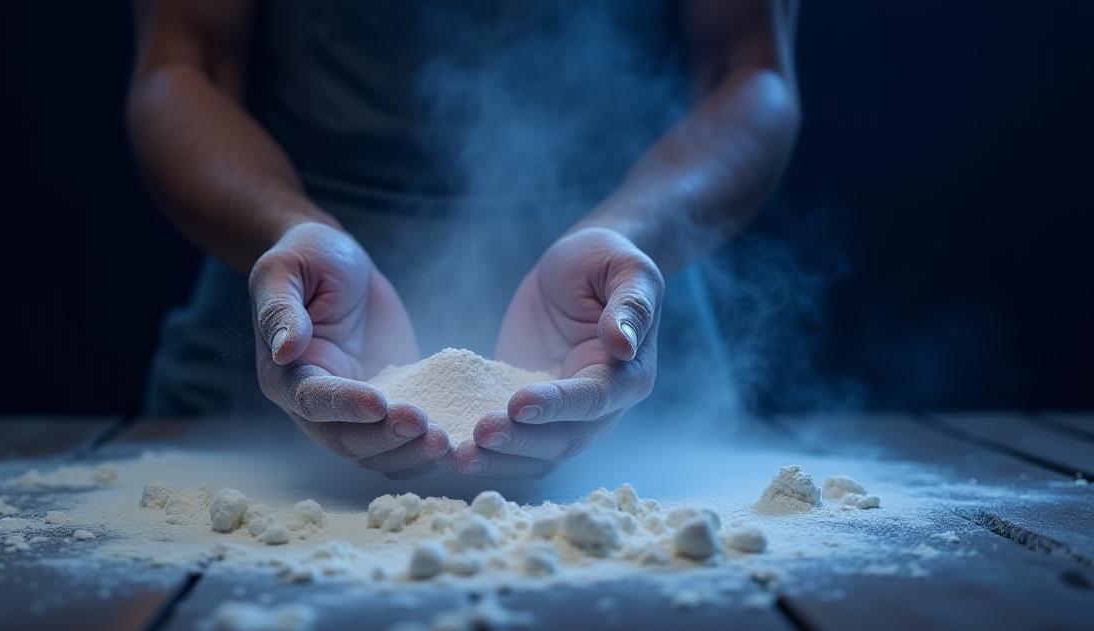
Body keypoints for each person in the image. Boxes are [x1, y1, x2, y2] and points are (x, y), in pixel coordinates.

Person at [128, 1, 800, 480]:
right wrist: (288, 228)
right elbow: (187, 62)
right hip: (301, 324)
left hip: (617, 337)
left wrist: (625, 231)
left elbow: (745, 67)